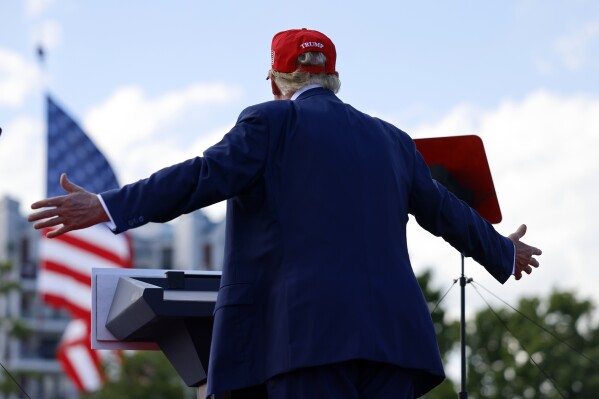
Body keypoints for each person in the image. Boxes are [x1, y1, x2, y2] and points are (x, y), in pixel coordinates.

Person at [28, 29, 541, 399]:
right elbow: (446, 211)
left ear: (275, 81)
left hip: (307, 342)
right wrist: (503, 249)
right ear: (335, 78)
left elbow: (201, 177)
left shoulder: (271, 122)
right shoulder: (392, 141)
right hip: (395, 346)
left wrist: (105, 204)